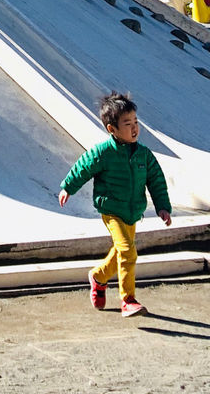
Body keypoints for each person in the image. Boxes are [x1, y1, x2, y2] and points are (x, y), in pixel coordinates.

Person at [58, 91, 171, 318]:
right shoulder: (103, 153)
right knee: (128, 251)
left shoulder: (144, 155)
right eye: (127, 123)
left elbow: (156, 180)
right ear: (112, 129)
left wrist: (162, 206)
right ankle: (128, 300)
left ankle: (98, 277)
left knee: (120, 251)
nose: (134, 128)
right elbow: (84, 167)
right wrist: (68, 187)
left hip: (132, 211)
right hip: (112, 210)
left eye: (136, 122)